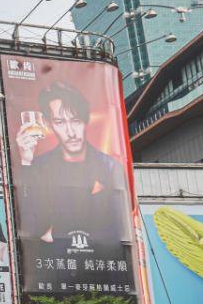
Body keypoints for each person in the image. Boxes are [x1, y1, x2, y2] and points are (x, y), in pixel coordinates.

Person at [13, 80, 129, 246]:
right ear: (49, 124)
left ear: (85, 119)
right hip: (51, 263)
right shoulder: (36, 166)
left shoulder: (110, 167)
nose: (70, 132)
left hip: (101, 262)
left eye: (75, 120)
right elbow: (27, 224)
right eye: (60, 122)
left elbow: (120, 231)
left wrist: (57, 228)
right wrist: (26, 161)